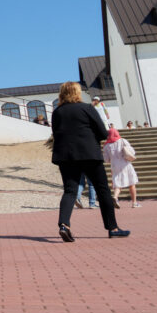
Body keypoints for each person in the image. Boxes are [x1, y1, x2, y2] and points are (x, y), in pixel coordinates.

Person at [51, 81, 128, 242]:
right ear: (77, 92)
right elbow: (102, 132)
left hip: (66, 156)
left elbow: (56, 133)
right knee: (102, 190)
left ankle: (64, 225)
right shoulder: (87, 108)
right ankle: (112, 228)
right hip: (89, 154)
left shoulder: (57, 112)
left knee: (70, 191)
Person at [103, 128, 140, 208]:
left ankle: (115, 197)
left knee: (118, 184)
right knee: (131, 183)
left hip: (114, 165)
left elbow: (106, 159)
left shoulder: (106, 145)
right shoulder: (122, 141)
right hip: (125, 164)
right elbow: (132, 152)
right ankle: (134, 202)